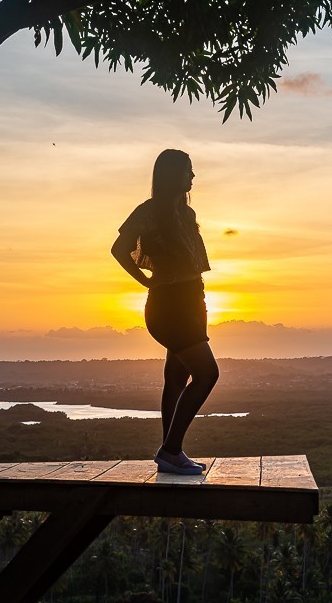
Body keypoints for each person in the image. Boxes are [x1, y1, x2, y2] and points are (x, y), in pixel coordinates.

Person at [112, 149, 219, 475]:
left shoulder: (186, 215)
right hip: (170, 306)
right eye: (188, 170)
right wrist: (144, 280)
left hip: (192, 303)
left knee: (176, 377)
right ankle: (170, 450)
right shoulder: (149, 212)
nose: (193, 177)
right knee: (207, 374)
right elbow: (119, 249)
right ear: (173, 175)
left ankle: (171, 454)